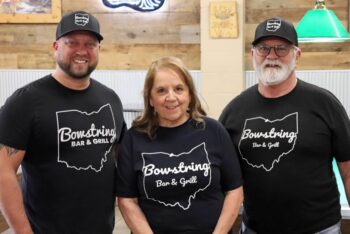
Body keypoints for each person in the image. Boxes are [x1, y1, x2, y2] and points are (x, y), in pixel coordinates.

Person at [219, 17, 350, 234]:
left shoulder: (325, 104)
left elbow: (347, 170)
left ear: (297, 55)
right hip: (256, 229)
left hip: (319, 228)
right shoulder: (234, 111)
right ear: (253, 54)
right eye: (263, 48)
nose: (271, 56)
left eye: (281, 48)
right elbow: (224, 179)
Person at [0, 11, 126, 234]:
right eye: (72, 42)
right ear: (56, 47)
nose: (81, 50)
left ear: (98, 50)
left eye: (90, 44)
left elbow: (122, 157)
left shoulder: (110, 99)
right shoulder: (26, 101)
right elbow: (3, 171)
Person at [116, 56, 243, 234]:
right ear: (150, 99)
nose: (171, 97)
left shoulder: (214, 131)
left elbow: (235, 191)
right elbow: (127, 200)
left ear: (189, 94)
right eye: (161, 90)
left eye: (178, 89)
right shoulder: (134, 138)